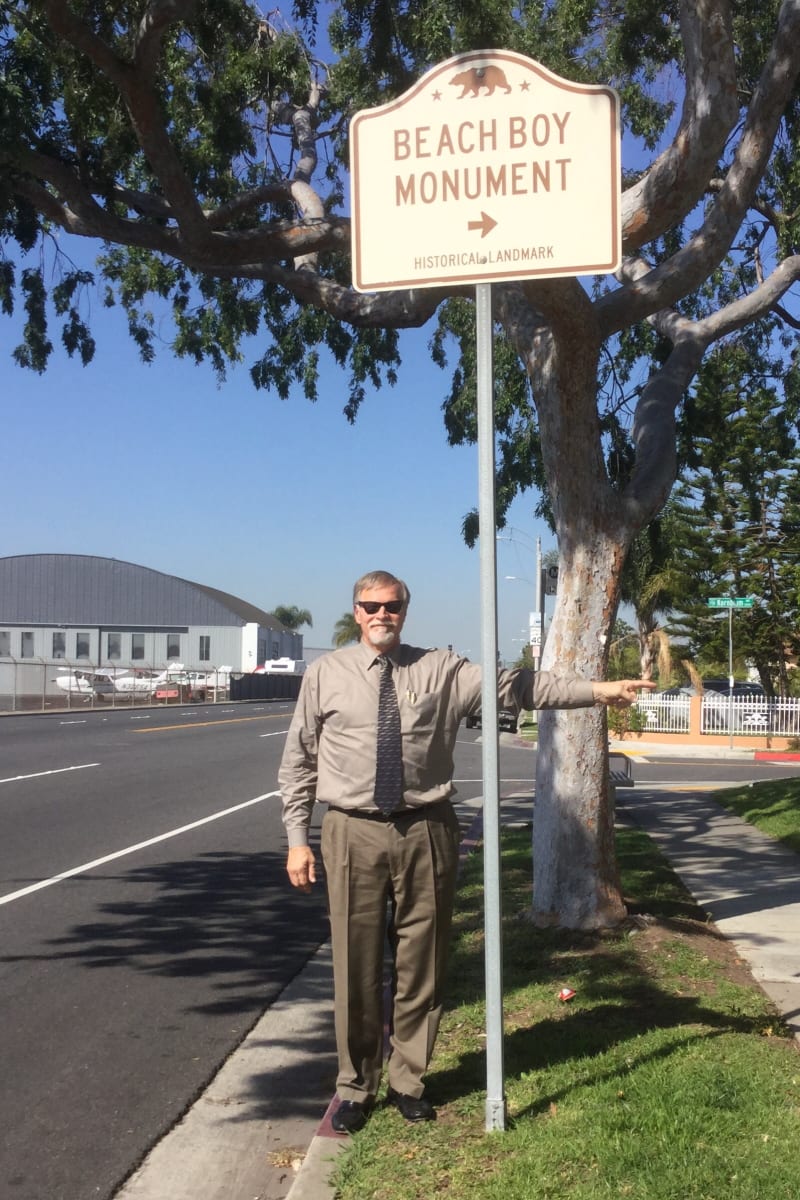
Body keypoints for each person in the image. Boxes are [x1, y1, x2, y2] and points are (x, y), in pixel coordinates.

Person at [279, 570, 656, 1134]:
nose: (382, 615)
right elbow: (299, 761)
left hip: (427, 829)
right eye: (370, 606)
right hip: (350, 832)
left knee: (423, 964)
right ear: (356, 612)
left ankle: (409, 1080)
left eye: (392, 606)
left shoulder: (442, 670)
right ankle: (355, 1086)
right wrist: (296, 840)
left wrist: (601, 692)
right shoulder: (325, 674)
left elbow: (523, 688)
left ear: (405, 610)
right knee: (355, 969)